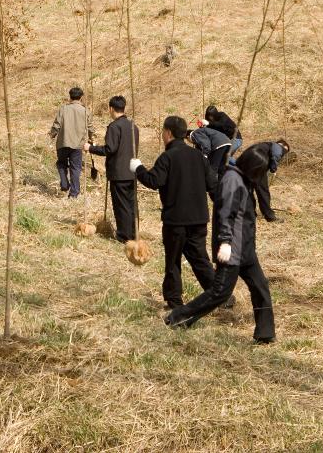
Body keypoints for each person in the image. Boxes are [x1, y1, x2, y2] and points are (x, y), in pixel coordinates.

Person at [165, 136, 275, 343]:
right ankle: (177, 317)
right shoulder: (233, 182)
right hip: (232, 248)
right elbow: (226, 214)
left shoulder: (244, 178)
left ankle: (265, 334)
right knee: (219, 293)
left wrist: (274, 150)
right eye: (260, 172)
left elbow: (265, 148)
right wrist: (225, 242)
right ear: (252, 168)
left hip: (246, 248)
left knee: (261, 287)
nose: (261, 177)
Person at [136, 116, 216, 309]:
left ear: (169, 133)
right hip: (198, 218)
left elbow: (153, 181)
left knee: (173, 261)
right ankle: (220, 294)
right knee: (200, 258)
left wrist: (137, 168)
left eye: (163, 131)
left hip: (176, 220)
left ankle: (174, 300)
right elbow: (213, 186)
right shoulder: (199, 156)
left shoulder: (168, 157)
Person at [87, 95, 141, 240]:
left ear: (111, 109)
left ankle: (124, 235)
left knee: (121, 205)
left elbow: (109, 149)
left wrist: (91, 148)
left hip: (118, 173)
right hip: (132, 171)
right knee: (131, 204)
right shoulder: (133, 126)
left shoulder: (114, 127)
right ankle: (133, 232)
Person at [50, 87, 94, 198]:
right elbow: (90, 128)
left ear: (70, 97)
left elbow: (56, 125)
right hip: (78, 144)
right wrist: (91, 138)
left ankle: (64, 184)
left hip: (62, 143)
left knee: (61, 164)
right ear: (81, 97)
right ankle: (74, 193)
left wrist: (52, 135)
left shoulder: (63, 109)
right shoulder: (85, 111)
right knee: (76, 168)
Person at [238, 140, 289, 223]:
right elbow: (276, 154)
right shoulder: (277, 146)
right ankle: (269, 216)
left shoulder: (262, 146)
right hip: (258, 160)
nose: (284, 152)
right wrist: (273, 168)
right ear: (281, 144)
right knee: (262, 190)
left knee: (247, 188)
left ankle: (250, 213)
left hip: (245, 158)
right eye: (285, 150)